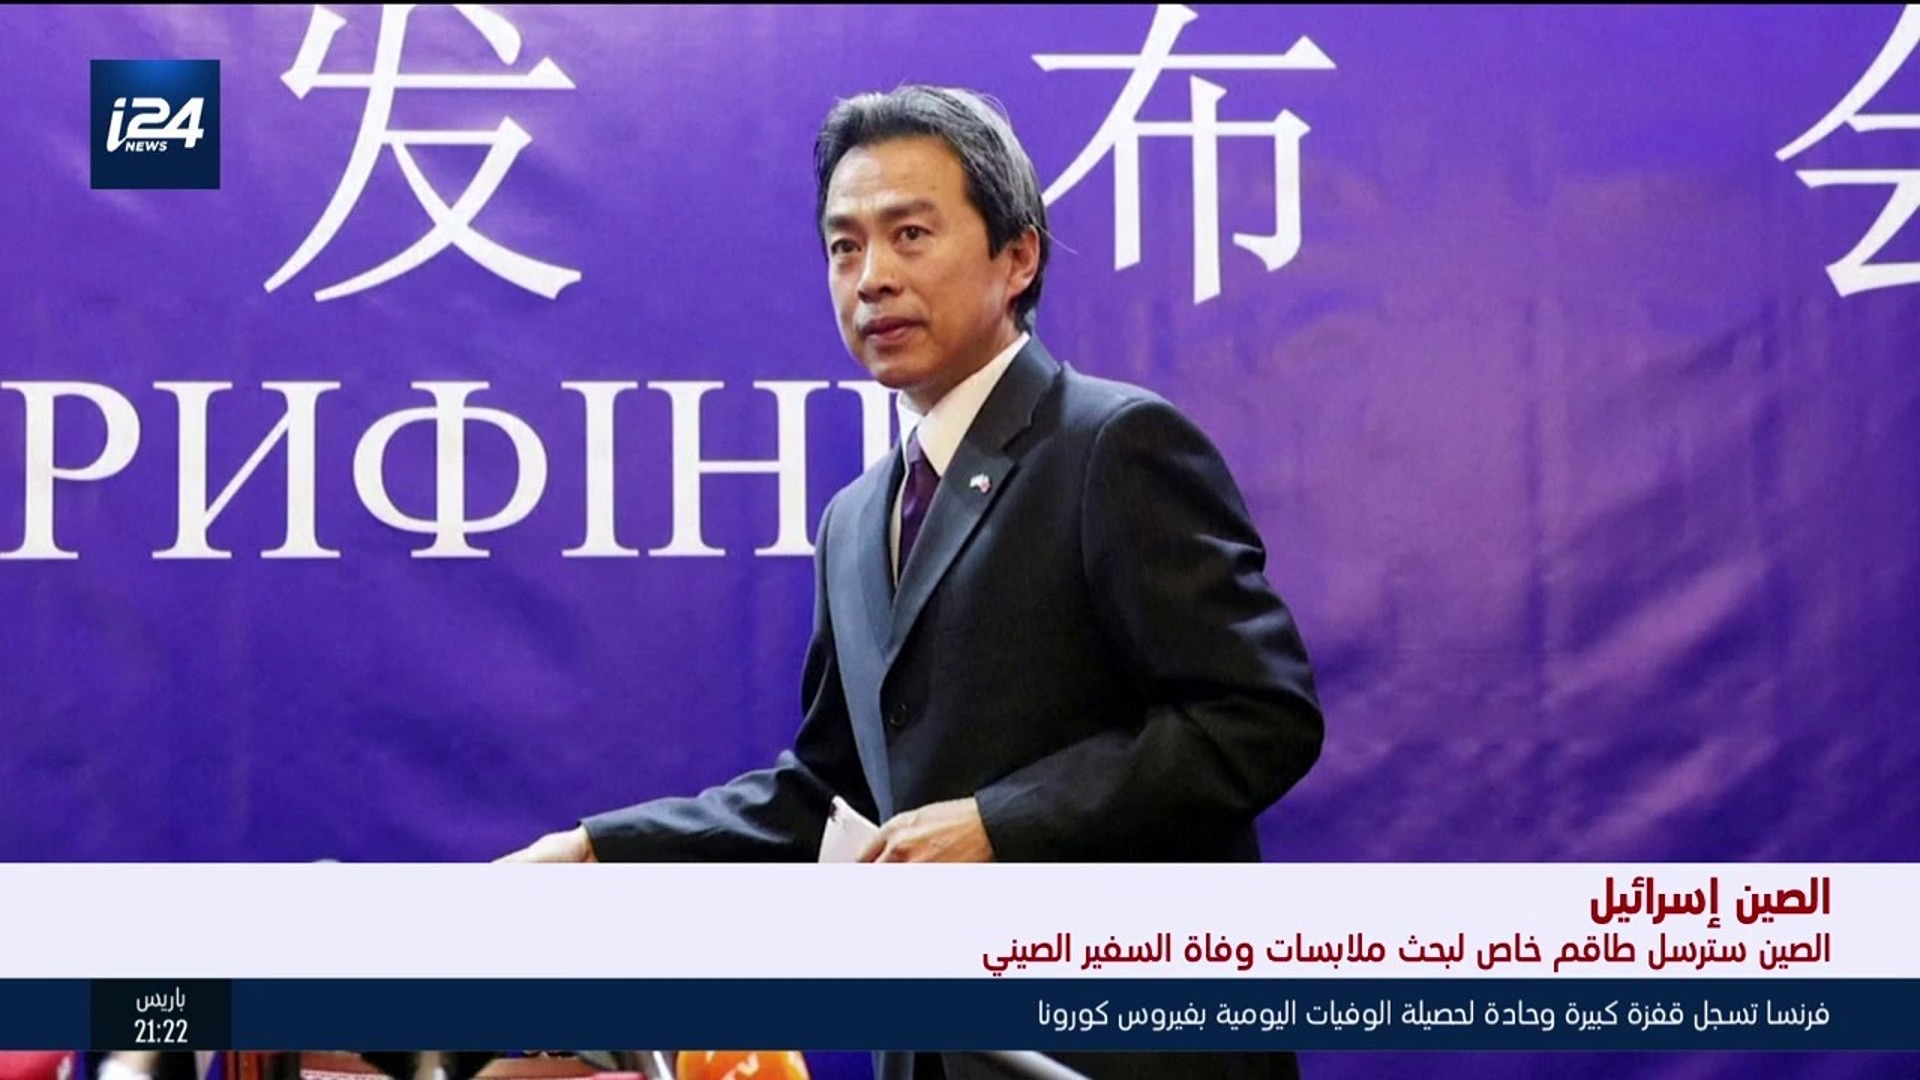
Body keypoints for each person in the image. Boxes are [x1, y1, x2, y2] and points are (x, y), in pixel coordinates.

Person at [501, 86, 1325, 1079]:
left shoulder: (1112, 446)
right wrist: (601, 850)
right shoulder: (856, 518)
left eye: (910, 234)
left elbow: (1257, 718)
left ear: (1017, 258)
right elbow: (828, 797)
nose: (873, 278)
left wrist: (998, 826)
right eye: (844, 247)